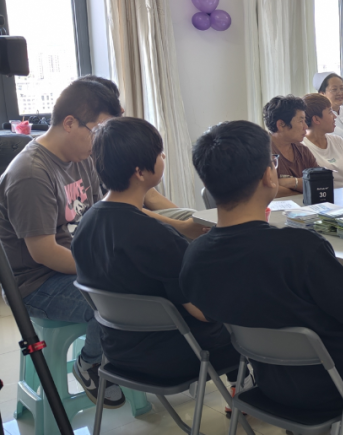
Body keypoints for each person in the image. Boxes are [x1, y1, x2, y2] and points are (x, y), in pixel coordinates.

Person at [181, 120, 343, 412]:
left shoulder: (196, 254)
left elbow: (205, 312)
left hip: (272, 385)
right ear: (268, 176)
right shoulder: (300, 247)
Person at [72, 117, 239, 392]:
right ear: (139, 172)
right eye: (160, 153)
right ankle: (246, 392)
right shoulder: (157, 237)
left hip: (117, 354)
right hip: (175, 357)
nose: (164, 157)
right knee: (248, 320)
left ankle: (240, 389)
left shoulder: (86, 224)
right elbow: (204, 313)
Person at [0, 79, 123, 407]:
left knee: (140, 283)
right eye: (97, 131)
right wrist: (104, 269)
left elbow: (96, 216)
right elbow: (45, 253)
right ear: (70, 123)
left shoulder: (82, 157)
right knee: (117, 301)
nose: (100, 142)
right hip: (38, 283)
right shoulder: (30, 173)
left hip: (76, 264)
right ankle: (91, 363)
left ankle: (120, 357)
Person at [75, 75, 203, 233]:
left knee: (192, 216)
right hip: (119, 221)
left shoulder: (121, 141)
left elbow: (151, 197)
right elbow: (118, 211)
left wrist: (188, 223)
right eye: (113, 104)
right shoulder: (97, 153)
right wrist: (180, 227)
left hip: (128, 213)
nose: (121, 110)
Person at [265, 95, 318, 197]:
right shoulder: (262, 152)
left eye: (305, 121)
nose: (306, 126)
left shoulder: (303, 151)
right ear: (281, 124)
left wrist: (293, 182)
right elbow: (266, 190)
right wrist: (304, 189)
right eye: (300, 121)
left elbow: (319, 184)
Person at [301, 93, 343, 189]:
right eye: (330, 112)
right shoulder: (302, 147)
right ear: (316, 119)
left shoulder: (338, 141)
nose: (335, 116)